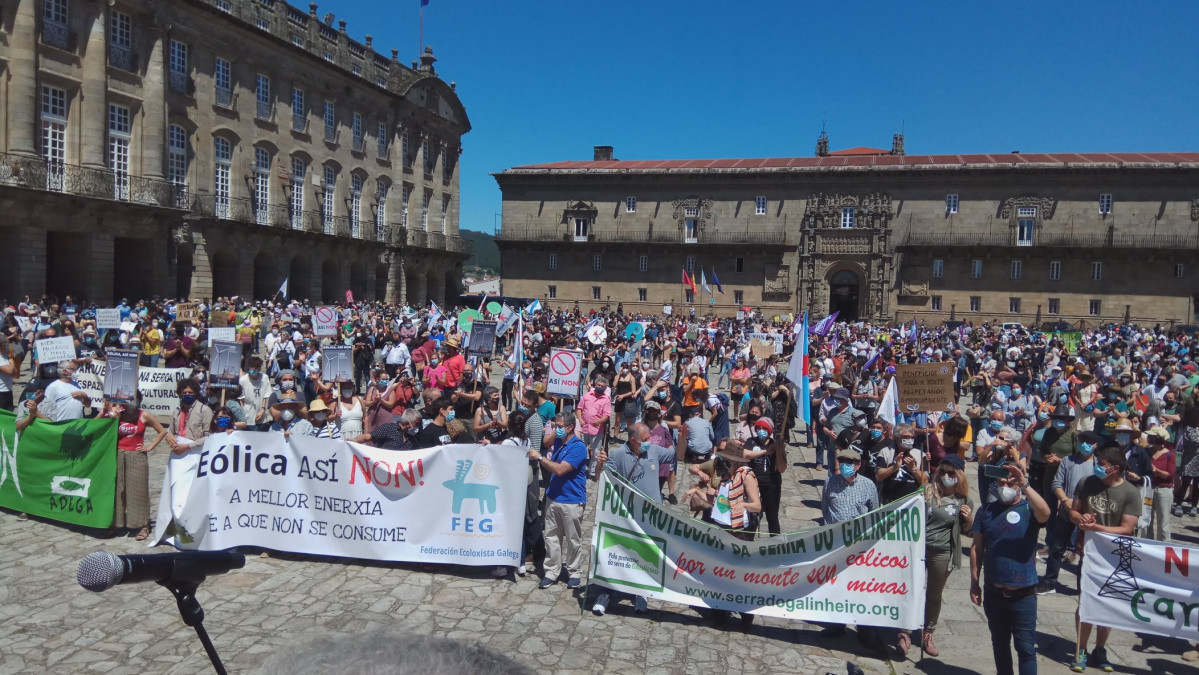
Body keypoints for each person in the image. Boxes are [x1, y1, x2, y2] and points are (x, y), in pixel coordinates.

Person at [1065, 446, 1141, 672]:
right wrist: (1082, 517)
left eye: (1102, 464)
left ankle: (1100, 649)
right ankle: (1081, 648)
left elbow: (1127, 528)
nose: (1097, 466)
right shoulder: (1087, 483)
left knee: (1107, 605)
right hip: (1088, 553)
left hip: (1115, 557)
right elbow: (1074, 512)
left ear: (1115, 469)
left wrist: (1096, 527)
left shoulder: (1130, 493)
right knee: (1085, 602)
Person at [970, 462, 1051, 675]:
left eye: (1011, 481)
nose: (1006, 485)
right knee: (999, 643)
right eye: (1002, 481)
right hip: (994, 592)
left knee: (1025, 648)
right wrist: (974, 582)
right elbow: (977, 548)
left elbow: (1045, 512)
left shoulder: (1028, 508)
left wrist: (1025, 485)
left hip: (1023, 594)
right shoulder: (986, 510)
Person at [590, 423, 677, 615]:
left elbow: (675, 455)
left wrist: (684, 437)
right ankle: (606, 592)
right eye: (645, 440)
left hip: (650, 517)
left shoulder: (654, 450)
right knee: (617, 553)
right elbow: (601, 478)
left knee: (645, 554)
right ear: (633, 440)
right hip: (626, 516)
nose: (649, 443)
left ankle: (641, 592)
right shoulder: (619, 455)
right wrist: (599, 463)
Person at [896, 454, 970, 659]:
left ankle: (928, 633)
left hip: (943, 551)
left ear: (959, 476)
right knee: (912, 589)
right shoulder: (927, 492)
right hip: (919, 549)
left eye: (951, 473)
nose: (946, 475)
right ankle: (905, 631)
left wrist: (969, 520)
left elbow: (969, 532)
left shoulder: (963, 500)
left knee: (934, 594)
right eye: (943, 471)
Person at [1037, 431, 1101, 595]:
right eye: (1082, 441)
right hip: (1067, 509)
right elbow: (1056, 483)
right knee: (1056, 547)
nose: (1084, 444)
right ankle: (1050, 582)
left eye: (1088, 442)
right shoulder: (1068, 460)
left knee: (1085, 551)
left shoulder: (1098, 465)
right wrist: (1065, 501)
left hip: (1088, 513)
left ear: (1095, 445)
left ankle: (1084, 586)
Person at [529, 414, 588, 590]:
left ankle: (574, 571)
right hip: (554, 497)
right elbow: (546, 443)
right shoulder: (558, 443)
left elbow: (561, 469)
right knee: (551, 536)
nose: (556, 428)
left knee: (572, 538)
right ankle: (552, 570)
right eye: (555, 425)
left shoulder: (578, 448)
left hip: (571, 500)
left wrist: (540, 458)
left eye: (560, 426)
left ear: (570, 427)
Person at [103, 395, 167, 541]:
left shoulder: (144, 415)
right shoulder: (119, 413)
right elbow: (103, 426)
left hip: (136, 456)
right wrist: (111, 413)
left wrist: (149, 446)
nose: (131, 402)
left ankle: (143, 526)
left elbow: (162, 431)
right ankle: (116, 523)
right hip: (118, 454)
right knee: (118, 490)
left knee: (138, 490)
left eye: (134, 399)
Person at [1145, 426, 1175, 541]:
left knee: (1163, 522)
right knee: (1147, 520)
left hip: (1163, 490)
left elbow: (1170, 475)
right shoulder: (1147, 452)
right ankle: (1147, 544)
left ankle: (1164, 547)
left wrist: (1157, 471)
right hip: (1149, 489)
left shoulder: (1169, 455)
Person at [166, 378, 212, 452]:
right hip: (177, 452)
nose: (187, 394)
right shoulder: (177, 411)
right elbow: (170, 431)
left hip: (196, 453)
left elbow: (209, 436)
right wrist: (168, 436)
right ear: (180, 394)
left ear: (196, 393)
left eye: (190, 393)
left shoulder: (204, 410)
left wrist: (188, 446)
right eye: (184, 392)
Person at [577, 376, 611, 474]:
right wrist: (580, 419)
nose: (600, 387)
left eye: (602, 386)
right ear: (594, 385)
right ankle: (580, 469)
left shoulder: (606, 399)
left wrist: (600, 421)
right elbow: (579, 408)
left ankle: (592, 472)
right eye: (598, 385)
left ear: (605, 388)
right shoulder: (587, 396)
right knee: (580, 449)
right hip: (583, 428)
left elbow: (607, 415)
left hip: (596, 430)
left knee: (596, 452)